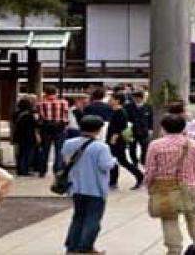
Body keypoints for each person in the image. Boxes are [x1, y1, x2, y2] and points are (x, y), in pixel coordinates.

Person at [143, 114, 195, 255]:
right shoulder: (194, 145)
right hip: (189, 186)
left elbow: (150, 169)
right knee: (194, 217)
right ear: (183, 128)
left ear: (163, 128)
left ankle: (174, 249)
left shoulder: (156, 145)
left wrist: (149, 185)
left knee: (169, 219)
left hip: (164, 188)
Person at [62, 115, 115, 255]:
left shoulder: (69, 143)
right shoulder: (101, 147)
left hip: (76, 186)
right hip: (95, 188)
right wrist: (113, 161)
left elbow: (65, 160)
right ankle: (85, 246)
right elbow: (105, 165)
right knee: (93, 219)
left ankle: (72, 246)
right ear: (98, 130)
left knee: (78, 216)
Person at [106, 93, 145, 189]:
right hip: (114, 140)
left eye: (111, 99)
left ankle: (140, 176)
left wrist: (113, 139)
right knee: (115, 161)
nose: (109, 101)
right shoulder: (115, 111)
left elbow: (120, 127)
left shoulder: (121, 112)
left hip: (117, 141)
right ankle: (113, 181)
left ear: (117, 100)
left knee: (122, 161)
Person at [35, 85, 71, 176]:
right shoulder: (64, 103)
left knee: (45, 150)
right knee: (59, 150)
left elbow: (40, 118)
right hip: (60, 127)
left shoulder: (40, 104)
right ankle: (57, 169)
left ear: (45, 93)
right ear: (56, 92)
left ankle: (42, 170)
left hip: (46, 128)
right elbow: (66, 117)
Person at [10, 97, 40, 177]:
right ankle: (25, 169)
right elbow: (35, 125)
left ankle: (20, 169)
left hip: (18, 135)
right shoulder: (30, 115)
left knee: (20, 153)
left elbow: (13, 124)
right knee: (27, 153)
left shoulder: (16, 114)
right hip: (29, 136)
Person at [125, 90, 154, 165]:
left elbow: (151, 119)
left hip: (144, 130)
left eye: (139, 98)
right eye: (135, 97)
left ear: (142, 98)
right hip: (132, 131)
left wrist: (150, 129)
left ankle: (143, 160)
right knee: (132, 148)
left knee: (145, 147)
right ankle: (134, 161)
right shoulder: (128, 107)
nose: (137, 99)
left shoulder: (148, 107)